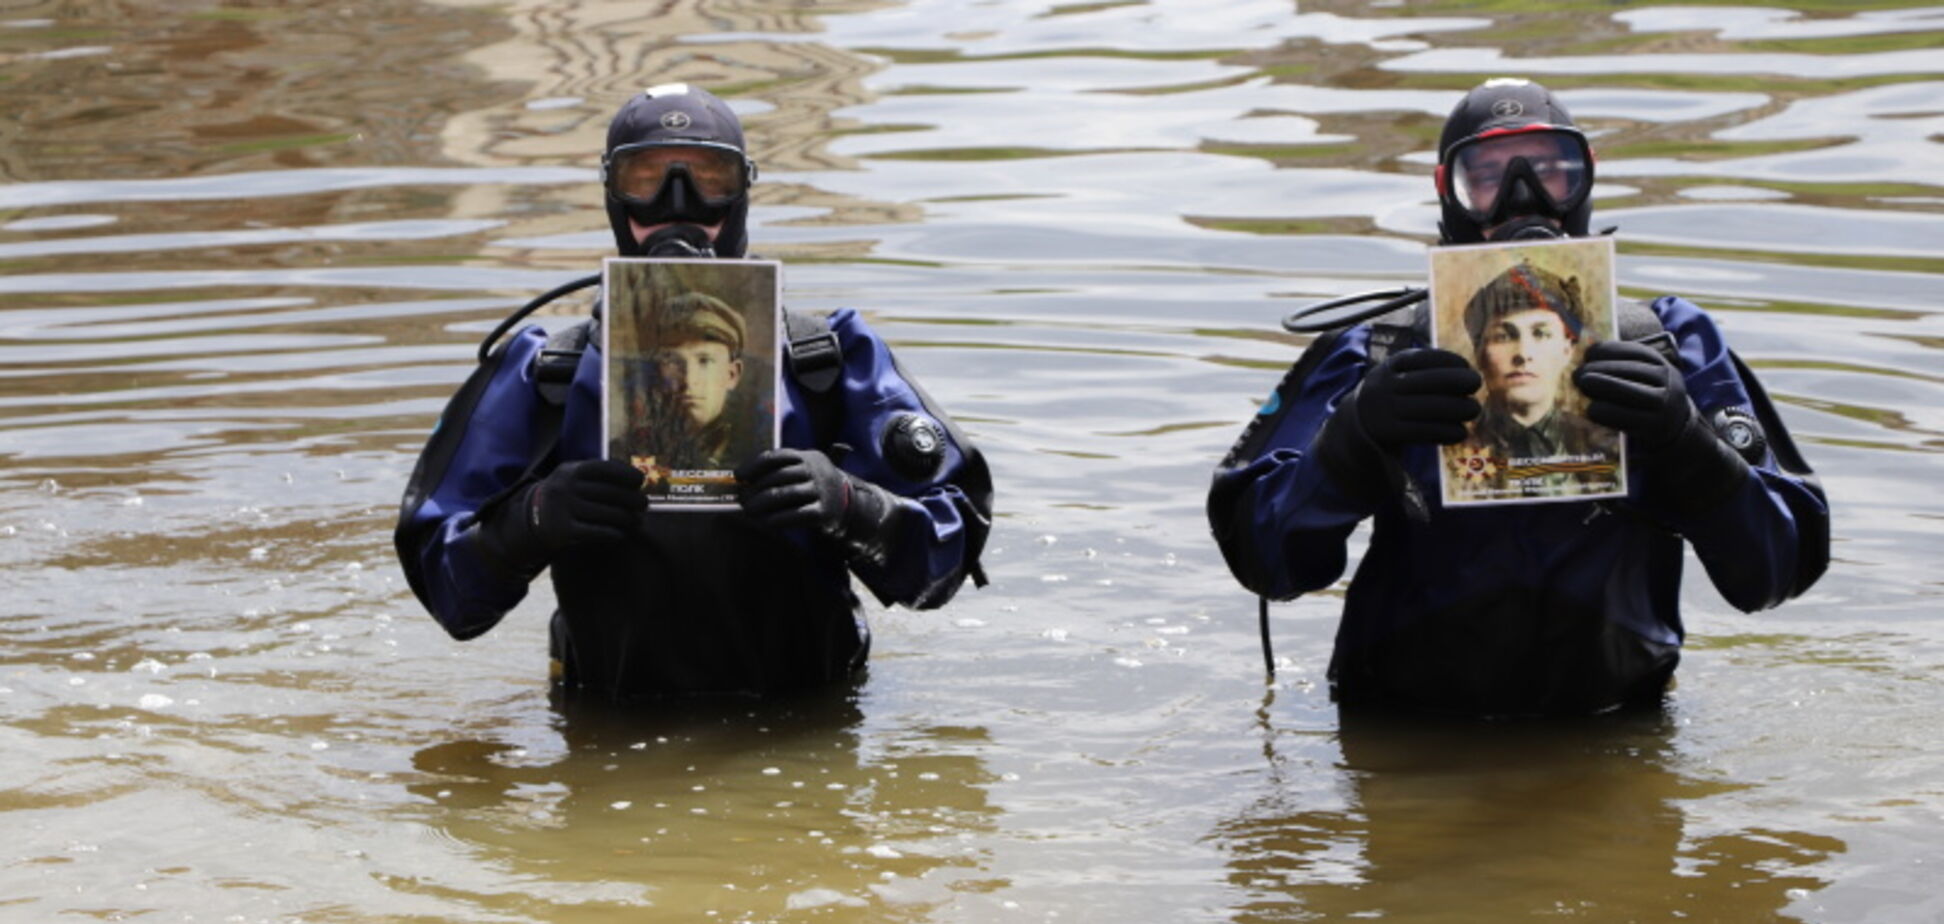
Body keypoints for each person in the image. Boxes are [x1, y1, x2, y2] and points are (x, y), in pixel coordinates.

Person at [1207, 77, 1829, 717]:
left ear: (1587, 180)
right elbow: (1265, 562)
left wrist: (1687, 444)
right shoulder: (1378, 352)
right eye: (1487, 178)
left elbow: (1775, 574)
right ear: (1446, 191)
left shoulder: (1670, 343)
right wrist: (1352, 442)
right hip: (1407, 731)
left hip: (1616, 733)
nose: (1522, 200)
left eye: (1553, 174)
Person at [395, 84, 993, 700]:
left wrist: (851, 506)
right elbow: (451, 600)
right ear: (611, 193)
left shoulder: (831, 362)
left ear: (742, 192)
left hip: (809, 722)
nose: (675, 206)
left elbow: (945, 565)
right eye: (646, 178)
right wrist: (531, 522)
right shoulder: (547, 375)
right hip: (609, 724)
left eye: (708, 178)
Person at [1451, 259, 1618, 498]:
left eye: (1541, 333)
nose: (1523, 354)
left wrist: (1680, 435)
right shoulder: (1448, 450)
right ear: (1479, 353)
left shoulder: (1604, 445)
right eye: (1503, 336)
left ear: (1567, 349)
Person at [620, 291, 755, 471]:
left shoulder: (757, 451)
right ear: (655, 372)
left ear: (732, 375)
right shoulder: (625, 450)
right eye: (672, 361)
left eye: (705, 361)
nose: (689, 381)